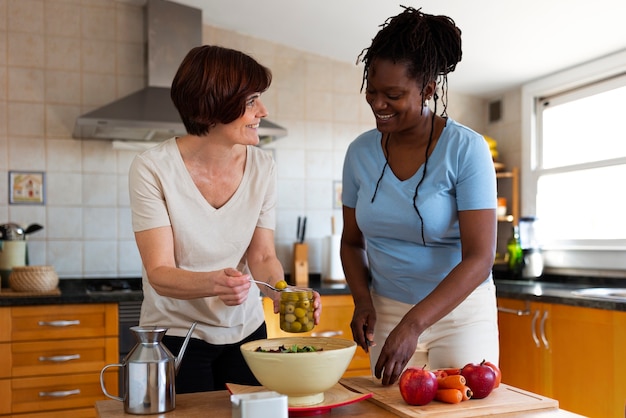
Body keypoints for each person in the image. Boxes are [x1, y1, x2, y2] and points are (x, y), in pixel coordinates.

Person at [128, 45, 321, 394]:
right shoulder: (153, 168)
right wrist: (215, 283)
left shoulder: (263, 167)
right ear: (210, 107)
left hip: (247, 332)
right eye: (251, 101)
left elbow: (262, 257)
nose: (263, 110)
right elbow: (159, 273)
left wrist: (283, 292)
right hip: (177, 335)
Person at [340, 7, 499, 386]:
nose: (378, 104)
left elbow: (480, 257)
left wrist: (414, 323)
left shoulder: (466, 149)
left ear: (427, 90)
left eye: (393, 95)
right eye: (373, 92)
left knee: (460, 409)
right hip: (387, 312)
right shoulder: (359, 153)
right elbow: (351, 242)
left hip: (460, 315)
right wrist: (363, 301)